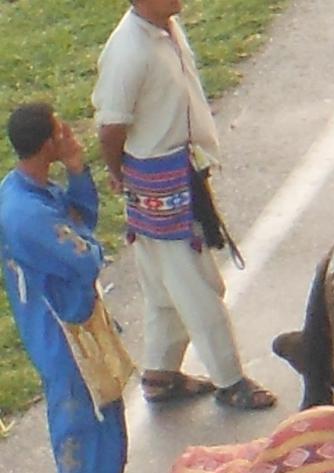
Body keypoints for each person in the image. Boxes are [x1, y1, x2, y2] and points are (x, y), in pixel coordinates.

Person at [0, 103, 169, 473]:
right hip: (63, 341)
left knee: (110, 416)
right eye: (61, 133)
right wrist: (85, 238)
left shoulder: (33, 191)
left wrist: (77, 170)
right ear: (46, 143)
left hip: (83, 327)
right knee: (78, 434)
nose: (68, 135)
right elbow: (88, 256)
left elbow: (85, 219)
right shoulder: (24, 215)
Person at [92, 0, 277, 410]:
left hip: (174, 175)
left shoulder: (165, 30)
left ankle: (160, 373)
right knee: (198, 286)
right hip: (163, 181)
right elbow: (111, 126)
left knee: (163, 284)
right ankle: (230, 381)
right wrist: (118, 173)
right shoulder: (129, 51)